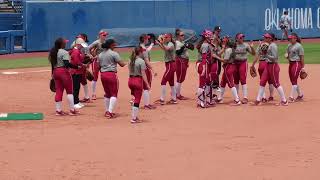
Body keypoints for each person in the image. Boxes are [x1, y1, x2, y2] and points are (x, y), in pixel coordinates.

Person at [253, 33, 288, 106]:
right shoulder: (268, 45)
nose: (264, 38)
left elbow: (275, 58)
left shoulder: (273, 46)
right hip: (268, 66)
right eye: (264, 37)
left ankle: (284, 101)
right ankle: (258, 100)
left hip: (273, 66)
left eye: (266, 37)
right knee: (262, 81)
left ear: (270, 38)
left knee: (276, 83)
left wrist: (266, 55)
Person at [49, 38, 80, 116]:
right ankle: (72, 110)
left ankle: (58, 111)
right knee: (70, 91)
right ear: (62, 44)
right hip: (63, 72)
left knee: (59, 90)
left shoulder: (53, 52)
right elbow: (66, 64)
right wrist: (76, 67)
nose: (66, 43)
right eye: (65, 42)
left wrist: (53, 75)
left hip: (55, 72)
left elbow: (53, 65)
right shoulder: (64, 52)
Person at [98, 39, 126, 118]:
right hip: (111, 75)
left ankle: (107, 111)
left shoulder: (100, 54)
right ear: (110, 45)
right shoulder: (114, 54)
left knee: (107, 94)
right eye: (114, 44)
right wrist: (128, 62)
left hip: (103, 75)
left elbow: (98, 66)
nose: (115, 45)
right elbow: (122, 64)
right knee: (114, 94)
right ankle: (110, 112)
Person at [128, 46, 150, 123]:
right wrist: (147, 84)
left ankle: (135, 115)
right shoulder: (141, 61)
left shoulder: (130, 60)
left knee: (134, 98)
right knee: (137, 100)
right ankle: (134, 118)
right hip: (137, 81)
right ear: (140, 52)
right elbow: (143, 74)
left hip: (130, 80)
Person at [251, 33, 275, 103]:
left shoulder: (260, 45)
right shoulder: (271, 45)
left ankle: (263, 97)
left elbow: (256, 56)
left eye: (264, 37)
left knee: (262, 81)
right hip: (269, 64)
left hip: (261, 64)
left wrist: (253, 65)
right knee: (271, 81)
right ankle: (271, 96)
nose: (264, 38)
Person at [217, 39, 241, 105]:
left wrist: (216, 57)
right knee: (223, 83)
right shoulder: (232, 49)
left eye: (225, 42)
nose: (223, 43)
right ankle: (220, 98)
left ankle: (237, 100)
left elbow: (225, 61)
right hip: (231, 67)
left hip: (228, 67)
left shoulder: (228, 50)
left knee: (231, 84)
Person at [234, 33, 256, 104]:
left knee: (243, 79)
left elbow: (253, 54)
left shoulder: (246, 45)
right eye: (240, 37)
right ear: (237, 38)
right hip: (235, 64)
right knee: (236, 80)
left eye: (243, 37)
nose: (242, 39)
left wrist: (252, 47)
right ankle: (236, 97)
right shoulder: (234, 45)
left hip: (243, 63)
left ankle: (245, 97)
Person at [157, 33, 177, 105]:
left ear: (170, 38)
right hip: (170, 65)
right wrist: (159, 43)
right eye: (164, 37)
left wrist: (161, 42)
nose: (165, 38)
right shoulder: (168, 43)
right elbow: (164, 48)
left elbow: (166, 48)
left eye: (166, 37)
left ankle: (162, 99)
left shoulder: (171, 44)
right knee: (171, 83)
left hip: (170, 65)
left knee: (163, 81)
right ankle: (174, 99)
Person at [88, 30, 108, 100]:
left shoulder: (106, 43)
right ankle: (93, 94)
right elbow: (88, 48)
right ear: (100, 35)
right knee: (95, 78)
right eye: (104, 35)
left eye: (106, 35)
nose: (105, 36)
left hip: (104, 62)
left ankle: (107, 92)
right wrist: (91, 55)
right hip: (96, 62)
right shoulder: (96, 42)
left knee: (105, 77)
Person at [69, 38, 89, 109]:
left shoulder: (78, 51)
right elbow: (77, 62)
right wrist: (84, 65)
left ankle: (77, 102)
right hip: (75, 72)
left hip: (78, 72)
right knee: (75, 88)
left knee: (77, 87)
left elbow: (80, 59)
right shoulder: (76, 51)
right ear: (78, 44)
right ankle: (75, 103)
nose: (82, 46)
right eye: (81, 45)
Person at [139, 34, 157, 109]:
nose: (148, 40)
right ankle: (147, 105)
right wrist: (153, 70)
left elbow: (146, 50)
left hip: (139, 68)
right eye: (147, 39)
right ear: (144, 40)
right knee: (147, 87)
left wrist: (152, 44)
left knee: (143, 86)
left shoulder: (139, 47)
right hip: (145, 69)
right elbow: (147, 61)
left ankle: (134, 99)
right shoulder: (143, 49)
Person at [286, 33, 305, 102]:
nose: (290, 39)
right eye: (289, 38)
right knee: (292, 80)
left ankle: (291, 97)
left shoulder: (299, 46)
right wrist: (287, 56)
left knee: (294, 80)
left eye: (291, 38)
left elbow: (302, 57)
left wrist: (303, 67)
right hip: (291, 64)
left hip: (297, 63)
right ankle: (300, 95)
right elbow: (287, 54)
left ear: (295, 39)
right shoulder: (289, 45)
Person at [175, 28, 192, 100]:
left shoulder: (182, 42)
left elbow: (192, 48)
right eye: (181, 35)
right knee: (180, 78)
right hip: (180, 61)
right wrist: (184, 46)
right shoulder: (177, 43)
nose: (183, 36)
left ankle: (176, 93)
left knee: (181, 78)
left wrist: (188, 45)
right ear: (178, 36)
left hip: (184, 61)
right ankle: (177, 94)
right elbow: (177, 52)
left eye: (183, 35)